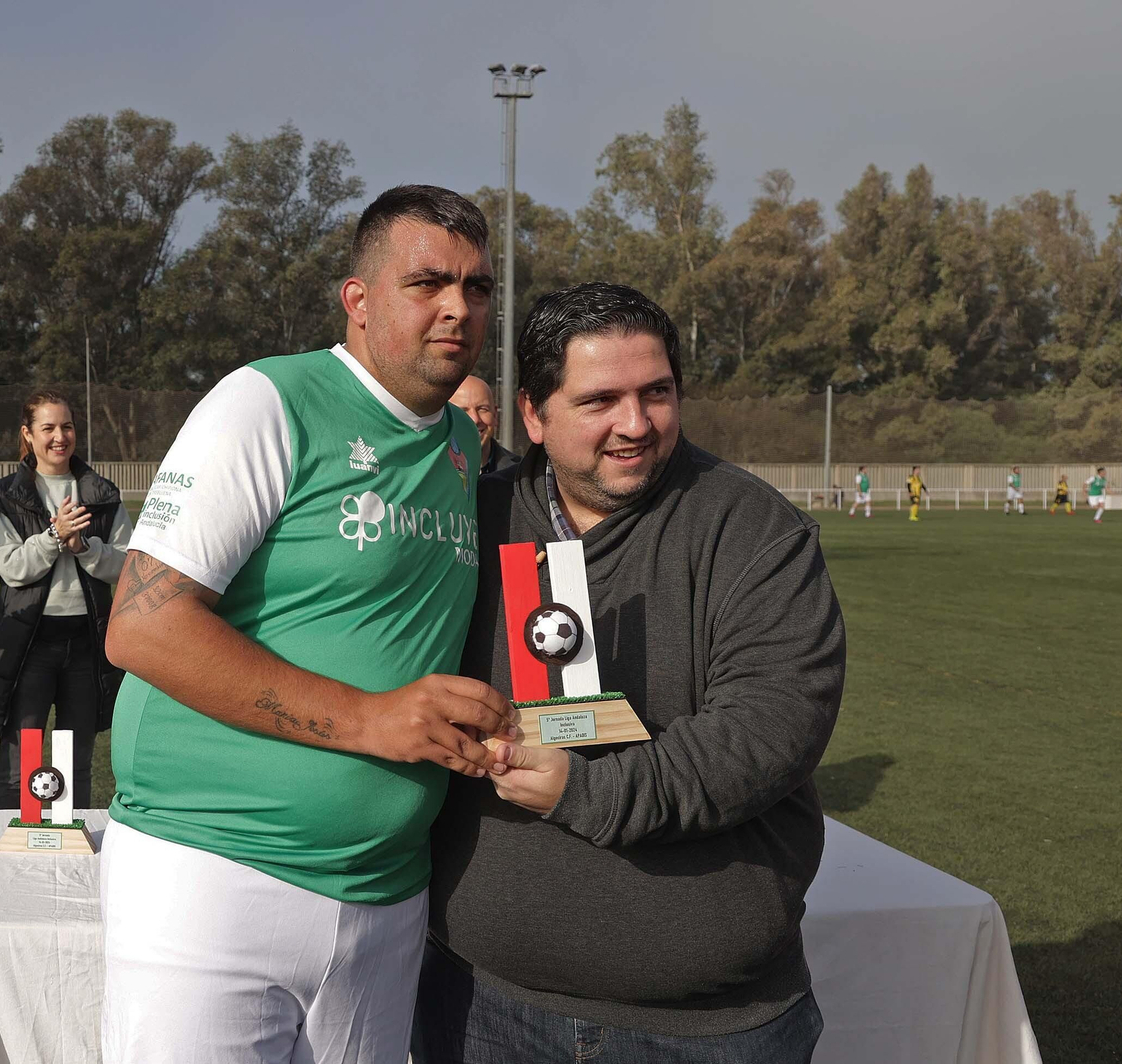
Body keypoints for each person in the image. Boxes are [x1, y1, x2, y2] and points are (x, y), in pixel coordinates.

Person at [97, 184, 515, 1064]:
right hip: (213, 876)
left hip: (388, 896)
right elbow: (143, 627)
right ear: (358, 302)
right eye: (428, 282)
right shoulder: (266, 401)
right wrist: (371, 719)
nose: (458, 308)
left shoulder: (462, 447)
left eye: (477, 288)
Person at [418, 282, 844, 1064]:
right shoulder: (464, 521)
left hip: (708, 1028)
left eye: (657, 393)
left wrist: (587, 792)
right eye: (601, 400)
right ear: (534, 417)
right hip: (479, 1004)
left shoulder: (752, 530)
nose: (636, 425)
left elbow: (769, 730)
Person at [0, 387, 133, 812]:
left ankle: (66, 858)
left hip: (87, 644)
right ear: (28, 434)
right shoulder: (4, 496)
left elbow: (129, 566)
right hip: (29, 644)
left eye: (68, 426)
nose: (60, 436)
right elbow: (11, 568)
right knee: (20, 763)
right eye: (49, 427)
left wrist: (84, 549)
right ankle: (5, 858)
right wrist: (55, 536)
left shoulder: (103, 493)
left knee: (76, 763)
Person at [450, 374, 521, 475]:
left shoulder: (521, 475)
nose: (475, 419)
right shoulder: (428, 473)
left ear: (495, 415)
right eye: (462, 411)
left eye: (483, 409)